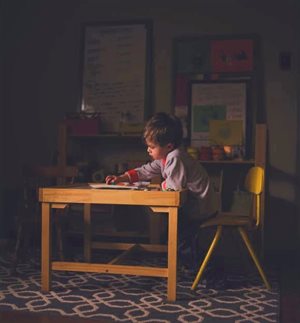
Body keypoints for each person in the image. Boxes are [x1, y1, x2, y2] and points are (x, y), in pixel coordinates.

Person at [106, 112, 218, 272]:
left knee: (181, 238)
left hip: (199, 208)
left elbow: (174, 188)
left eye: (152, 147)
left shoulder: (175, 157)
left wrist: (161, 186)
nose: (148, 150)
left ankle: (205, 272)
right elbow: (145, 171)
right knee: (174, 235)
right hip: (193, 206)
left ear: (168, 146)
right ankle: (190, 266)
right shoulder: (165, 158)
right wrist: (121, 178)